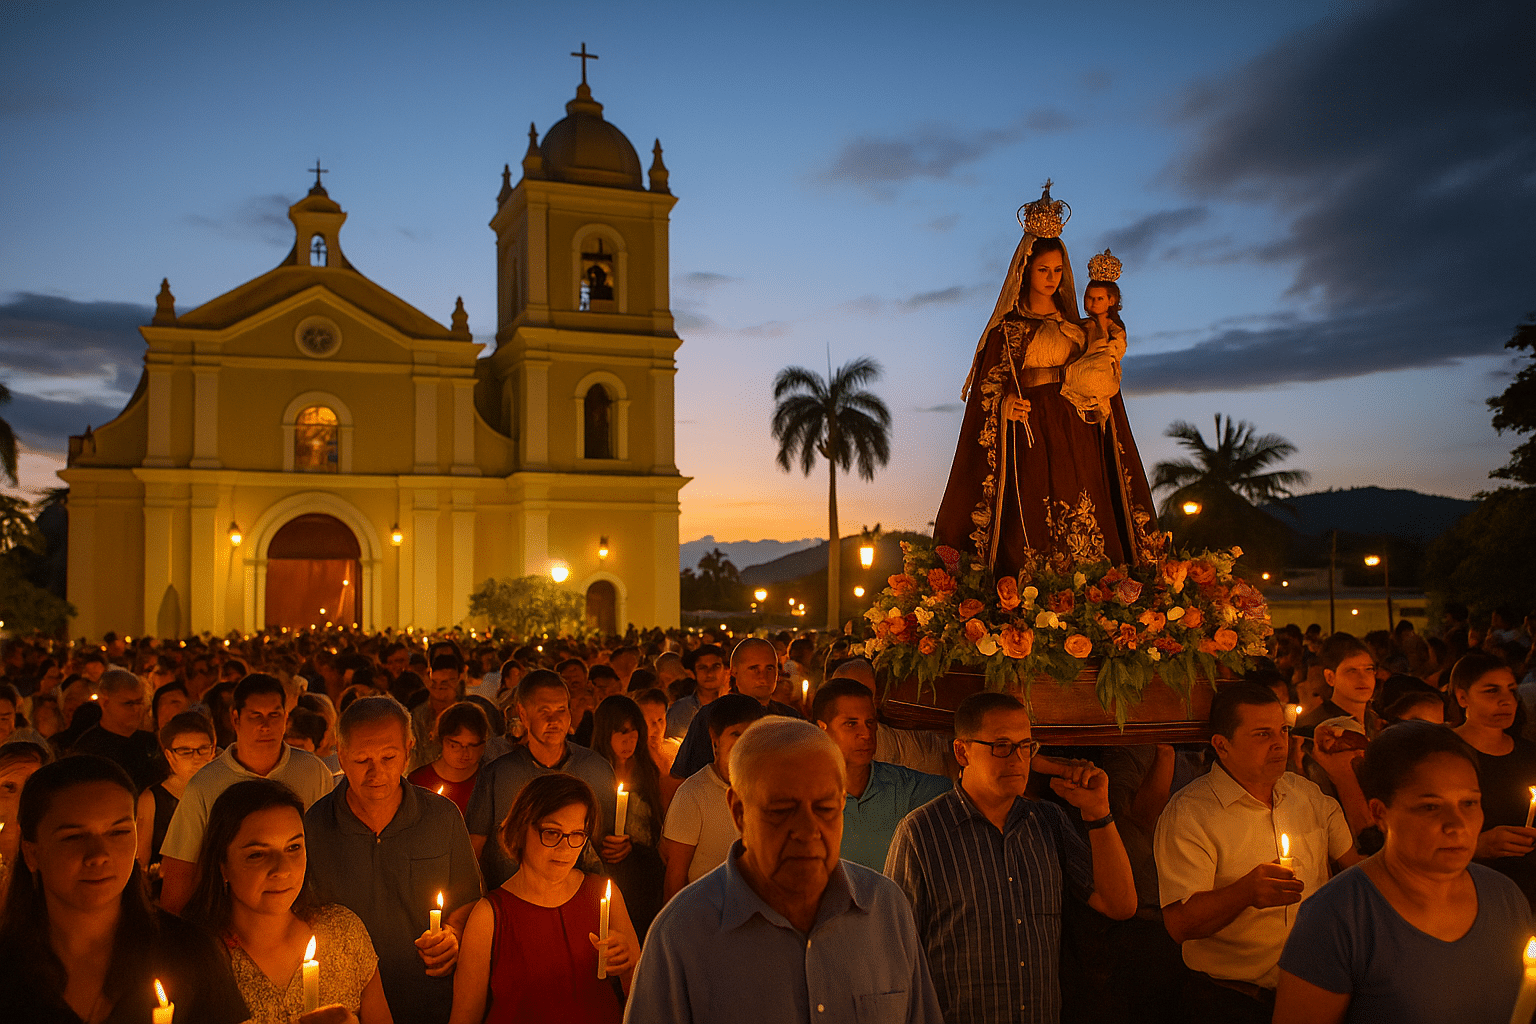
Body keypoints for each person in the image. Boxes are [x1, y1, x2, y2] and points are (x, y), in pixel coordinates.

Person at [627, 717, 942, 1023]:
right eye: (781, 811)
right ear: (738, 811)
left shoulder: (885, 908)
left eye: (825, 809)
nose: (807, 831)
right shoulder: (682, 934)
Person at [932, 184, 1161, 581]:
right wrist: (1004, 404)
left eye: (1058, 270)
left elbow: (1100, 373)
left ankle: (1095, 587)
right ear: (1025, 271)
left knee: (1086, 509)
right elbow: (989, 388)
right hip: (1031, 434)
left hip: (1079, 432)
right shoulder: (1008, 330)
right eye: (1043, 270)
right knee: (1036, 519)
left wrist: (1104, 386)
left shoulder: (1079, 328)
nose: (1052, 278)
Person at [885, 690, 1136, 1023]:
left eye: (1026, 746)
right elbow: (894, 955)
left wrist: (1098, 814)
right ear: (962, 752)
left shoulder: (1048, 821)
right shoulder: (922, 833)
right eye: (1001, 746)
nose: (1017, 760)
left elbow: (1119, 904)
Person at [1275, 722, 1532, 1023]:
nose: (1457, 825)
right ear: (1379, 813)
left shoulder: (1504, 897)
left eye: (1469, 803)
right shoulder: (1337, 918)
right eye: (1430, 807)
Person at [1154, 683, 1360, 1023]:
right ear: (1222, 745)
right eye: (1262, 734)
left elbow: (1357, 871)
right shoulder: (1191, 813)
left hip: (1311, 996)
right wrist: (1245, 892)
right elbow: (1179, 924)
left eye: (1283, 730)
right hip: (1230, 1001)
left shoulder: (1307, 797)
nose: (1280, 744)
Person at [0, 755, 248, 1022]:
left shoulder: (190, 954)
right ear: (31, 851)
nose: (98, 855)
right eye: (74, 837)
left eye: (117, 833)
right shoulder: (9, 967)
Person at [305, 695, 481, 1024]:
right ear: (341, 756)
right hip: (347, 1007)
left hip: (429, 1000)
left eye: (389, 757)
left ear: (409, 750)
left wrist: (453, 935)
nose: (377, 772)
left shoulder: (442, 817)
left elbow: (469, 898)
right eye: (361, 760)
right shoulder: (313, 827)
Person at [185, 779, 392, 1024]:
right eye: (257, 854)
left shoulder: (343, 934)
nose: (282, 870)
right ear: (222, 865)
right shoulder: (194, 961)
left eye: (293, 847)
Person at [449, 774, 637, 1024]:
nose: (565, 848)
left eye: (577, 834)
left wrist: (627, 968)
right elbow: (465, 1017)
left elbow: (642, 992)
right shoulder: (490, 916)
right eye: (552, 832)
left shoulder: (603, 895)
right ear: (522, 827)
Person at [159, 673, 336, 913]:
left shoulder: (312, 771)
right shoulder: (206, 783)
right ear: (236, 718)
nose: (265, 726)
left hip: (299, 909)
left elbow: (326, 848)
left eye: (274, 715)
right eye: (255, 716)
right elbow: (181, 870)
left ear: (286, 718)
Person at [466, 671, 618, 889]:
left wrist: (621, 846)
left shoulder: (596, 769)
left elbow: (607, 841)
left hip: (579, 896)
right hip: (511, 898)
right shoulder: (499, 774)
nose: (554, 720)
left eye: (561, 710)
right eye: (544, 711)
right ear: (523, 714)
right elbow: (474, 847)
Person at [811, 678, 949, 871]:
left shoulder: (903, 787)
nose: (866, 734)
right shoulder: (803, 796)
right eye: (851, 724)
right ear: (822, 730)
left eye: (870, 722)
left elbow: (965, 794)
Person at [660, 694, 767, 899]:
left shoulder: (772, 788)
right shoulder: (693, 794)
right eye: (736, 734)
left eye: (751, 735)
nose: (744, 744)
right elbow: (676, 874)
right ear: (715, 740)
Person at [1450, 650, 1536, 906]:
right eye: (1492, 691)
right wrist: (1478, 846)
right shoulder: (1441, 754)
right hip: (1471, 895)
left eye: (1511, 690)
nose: (1507, 701)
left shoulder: (1530, 754)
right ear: (1462, 697)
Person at [670, 638, 801, 781]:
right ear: (734, 672)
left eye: (769, 668)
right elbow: (681, 777)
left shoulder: (791, 720)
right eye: (753, 668)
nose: (763, 677)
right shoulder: (712, 716)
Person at [591, 694, 667, 938]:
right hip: (606, 873)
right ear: (605, 732)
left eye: (635, 730)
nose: (630, 739)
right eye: (622, 731)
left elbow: (658, 824)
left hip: (645, 874)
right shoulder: (591, 771)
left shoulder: (647, 769)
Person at [136, 710, 217, 875]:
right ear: (169, 755)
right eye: (185, 751)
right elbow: (141, 860)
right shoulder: (153, 798)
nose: (196, 758)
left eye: (203, 749)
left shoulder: (223, 792)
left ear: (213, 751)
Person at [69, 668, 165, 793]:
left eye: (139, 702)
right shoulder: (88, 749)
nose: (137, 710)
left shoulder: (149, 741)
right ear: (105, 702)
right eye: (129, 703)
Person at [407, 701, 489, 816]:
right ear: (442, 740)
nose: (465, 753)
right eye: (455, 745)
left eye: (472, 745)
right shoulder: (418, 781)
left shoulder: (488, 782)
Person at [409, 656, 465, 772]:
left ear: (458, 680)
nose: (439, 688)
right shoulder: (418, 716)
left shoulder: (467, 715)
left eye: (445, 683)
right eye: (435, 682)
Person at [664, 645, 727, 740]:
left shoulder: (738, 708)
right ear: (693, 674)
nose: (709, 673)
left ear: (725, 671)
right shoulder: (681, 711)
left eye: (716, 666)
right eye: (702, 668)